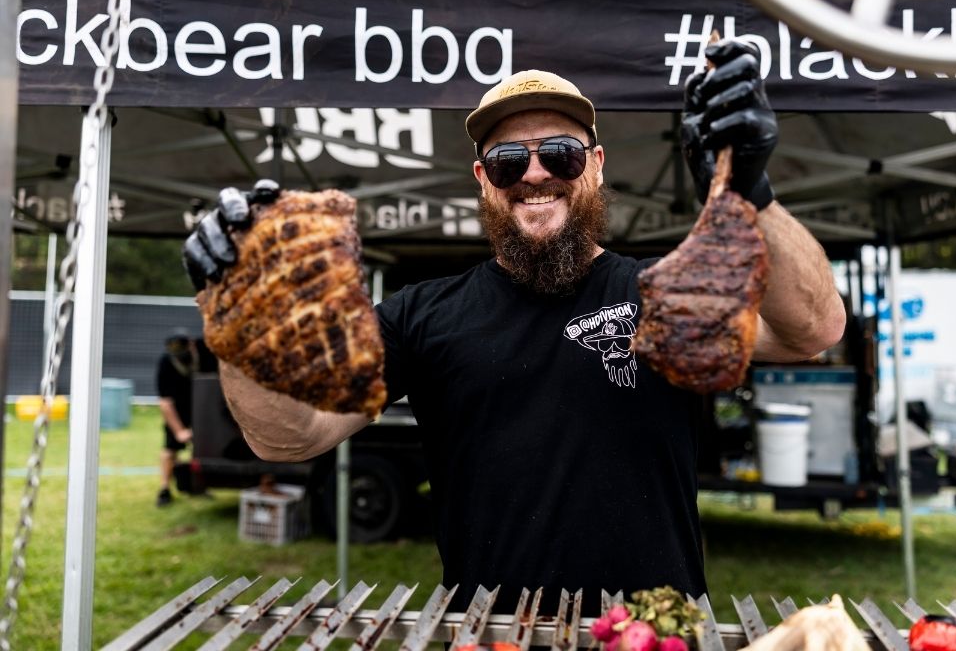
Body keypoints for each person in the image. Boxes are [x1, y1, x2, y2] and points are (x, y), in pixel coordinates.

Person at [182, 41, 847, 612]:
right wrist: (233, 320)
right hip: (490, 637)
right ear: (483, 179)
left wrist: (750, 193)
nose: (535, 174)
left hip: (651, 636)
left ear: (596, 165)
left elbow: (812, 329)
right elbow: (290, 436)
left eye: (560, 154)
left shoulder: (661, 295)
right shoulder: (423, 316)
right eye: (508, 161)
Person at [155, 327, 216, 507]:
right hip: (179, 410)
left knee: (204, 449)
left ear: (191, 344)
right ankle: (164, 489)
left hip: (206, 407)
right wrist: (180, 431)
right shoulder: (166, 363)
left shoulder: (207, 351)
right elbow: (166, 403)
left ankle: (200, 486)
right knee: (170, 449)